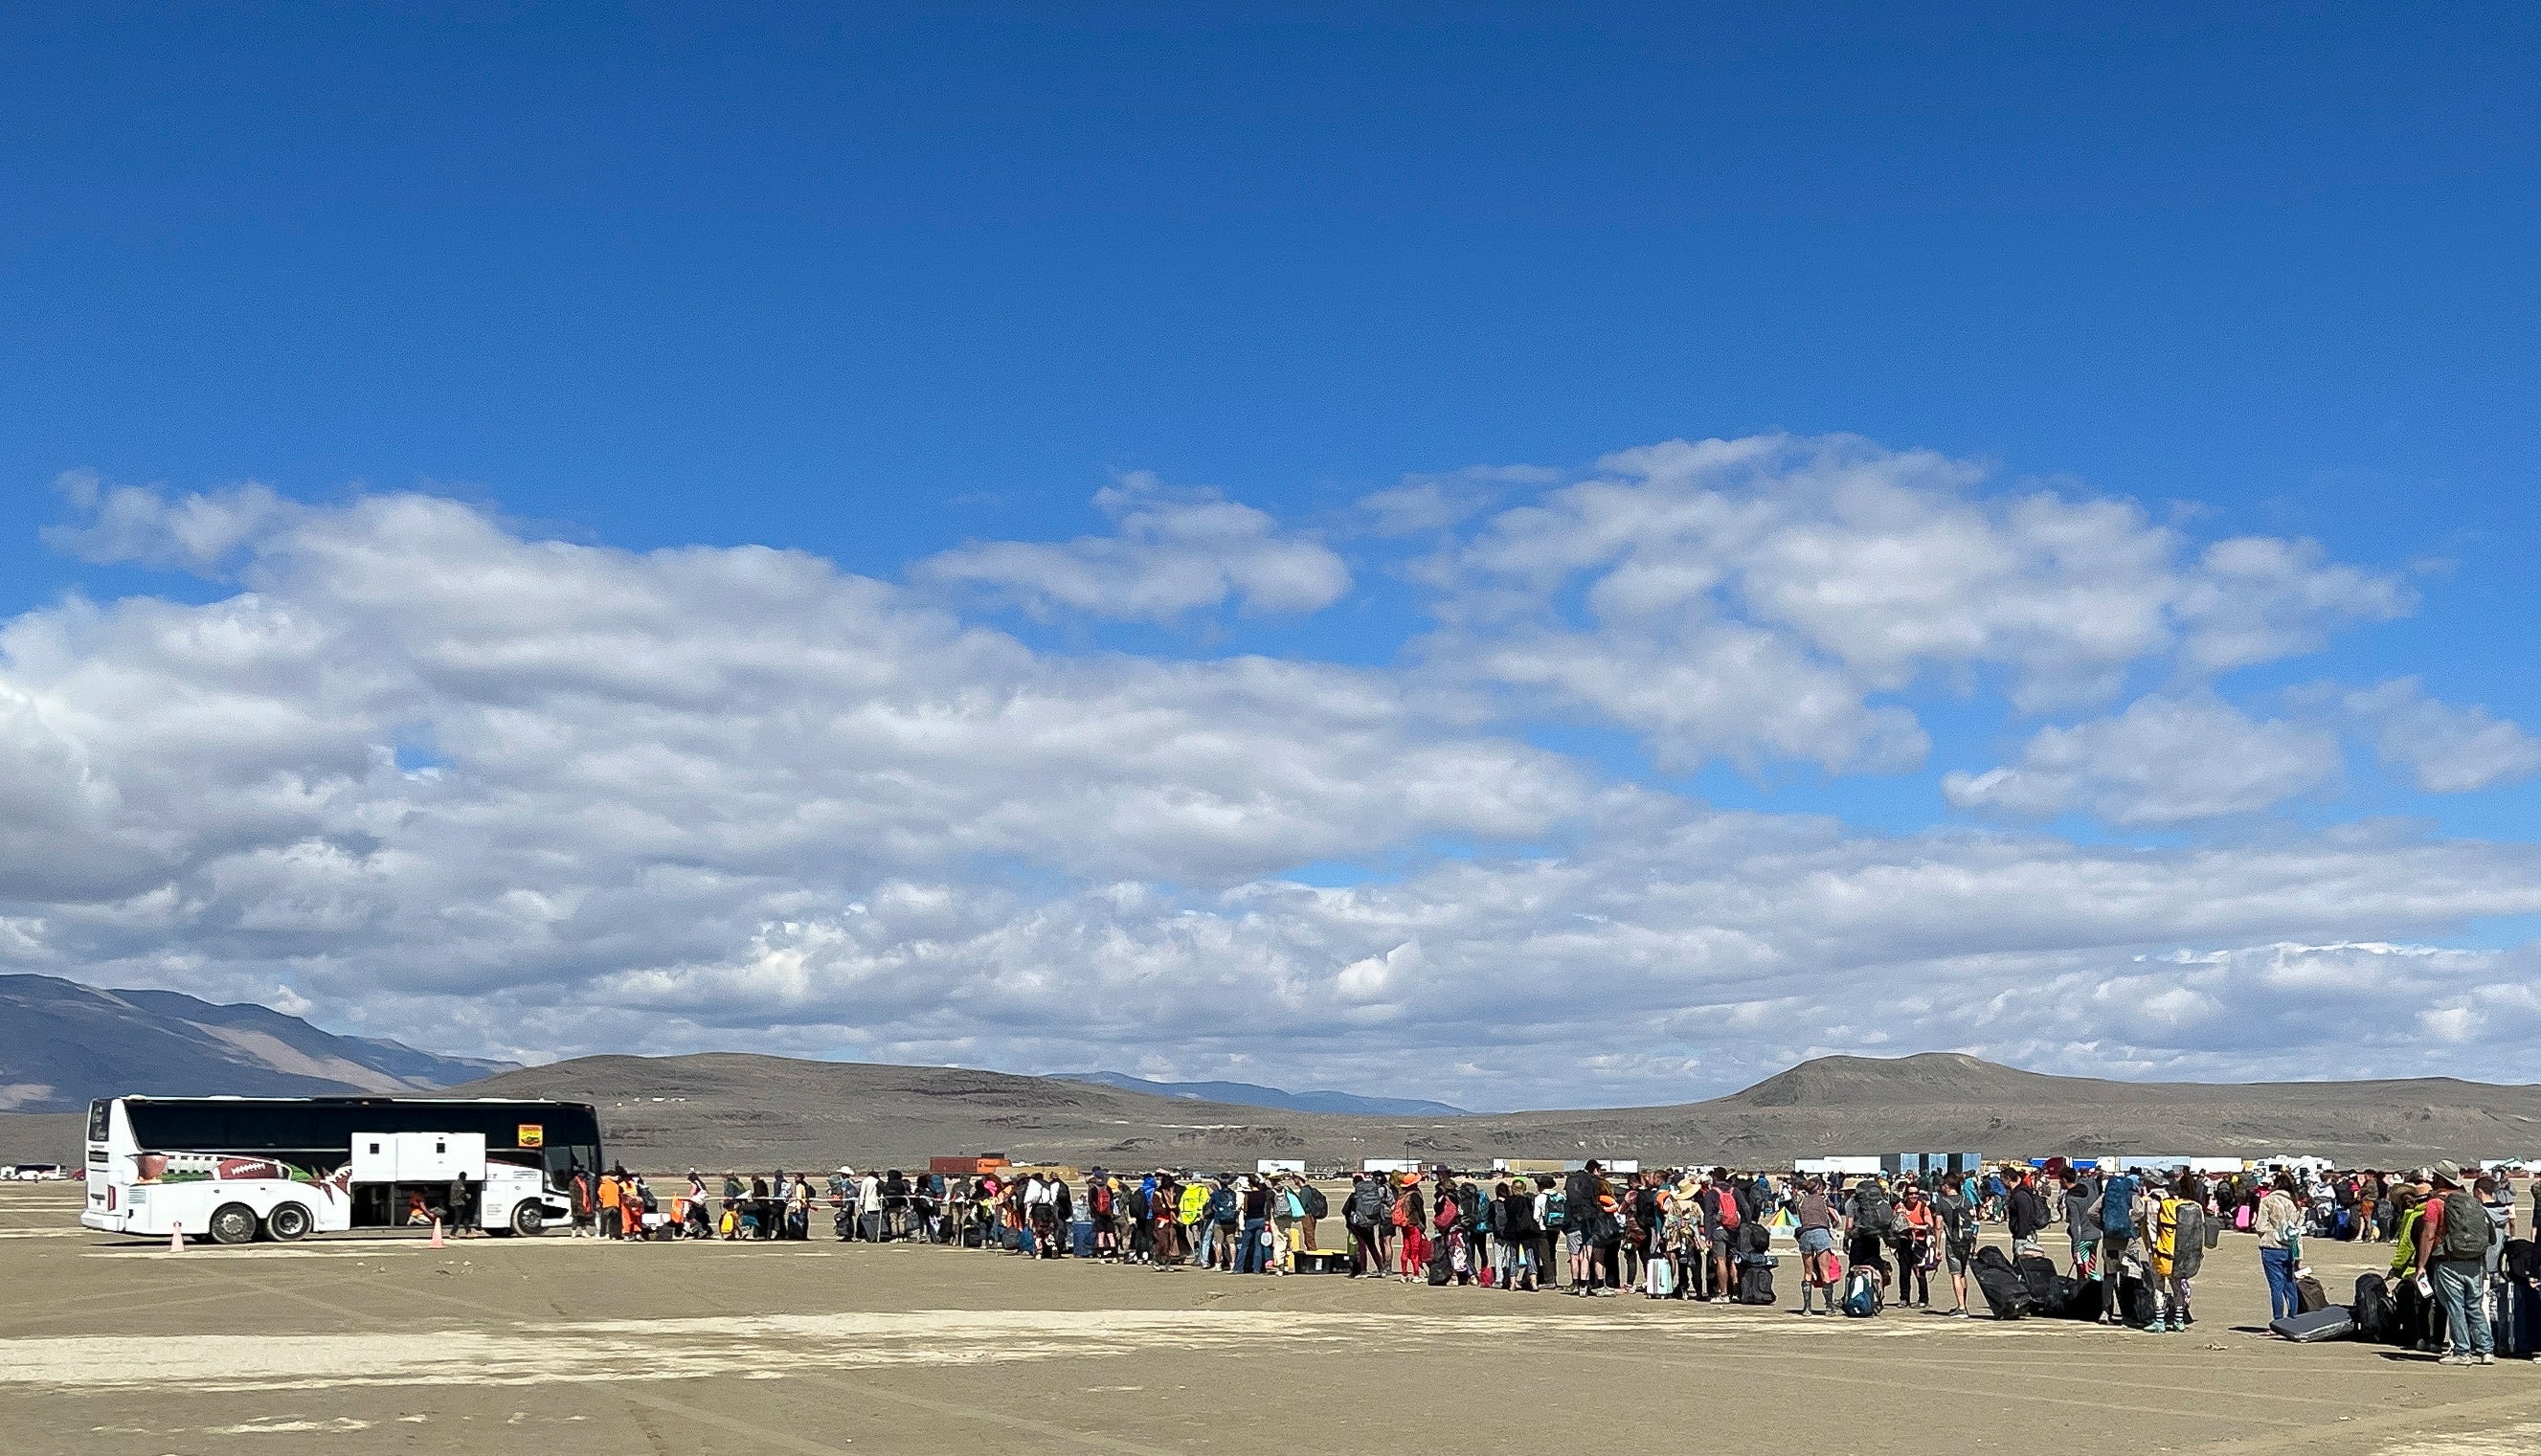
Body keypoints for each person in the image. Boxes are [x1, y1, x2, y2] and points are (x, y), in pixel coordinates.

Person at [2413, 1161, 2496, 1365]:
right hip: (2475, 1260)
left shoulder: (2435, 1204)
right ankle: (2486, 1350)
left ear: (2441, 1179)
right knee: (2474, 1306)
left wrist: (2422, 1264)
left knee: (2455, 1306)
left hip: (2448, 1260)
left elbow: (2429, 1235)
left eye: (2435, 1177)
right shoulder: (2470, 1201)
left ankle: (2462, 1351)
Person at [2256, 1172, 2304, 1325]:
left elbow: (2260, 1225)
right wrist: (2299, 1255)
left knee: (2276, 1286)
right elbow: (2297, 1231)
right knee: (2290, 1285)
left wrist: (2270, 1231)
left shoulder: (2268, 1201)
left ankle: (2278, 1320)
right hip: (2289, 1248)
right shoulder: (2294, 1203)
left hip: (2271, 1246)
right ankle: (2293, 1318)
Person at [1793, 1176, 1839, 1315]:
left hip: (1805, 1233)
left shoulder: (1800, 1200)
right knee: (1825, 1271)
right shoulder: (1824, 1199)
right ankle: (1829, 1307)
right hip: (1821, 1233)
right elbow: (1836, 1218)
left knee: (1807, 1272)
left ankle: (1807, 1308)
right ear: (1818, 1188)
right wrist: (1832, 1226)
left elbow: (1801, 1219)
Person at [1842, 1173, 1895, 1290]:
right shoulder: (1874, 1201)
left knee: (1854, 1267)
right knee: (1873, 1265)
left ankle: (1850, 1294)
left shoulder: (1851, 1203)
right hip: (1874, 1237)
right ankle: (1876, 1293)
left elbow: (1849, 1224)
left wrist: (1845, 1240)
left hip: (1858, 1238)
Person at [1935, 1176, 1978, 1316]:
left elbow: (1938, 1226)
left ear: (1948, 1186)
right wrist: (1974, 1243)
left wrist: (1937, 1247)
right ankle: (1962, 1304)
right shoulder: (1967, 1201)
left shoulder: (1942, 1203)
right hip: (1966, 1241)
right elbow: (1974, 1223)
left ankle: (1961, 1307)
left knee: (1955, 1274)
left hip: (1952, 1242)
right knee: (1963, 1274)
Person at [1893, 1184, 1937, 1309]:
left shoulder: (1923, 1207)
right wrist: (1898, 1215)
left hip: (1919, 1242)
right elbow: (1893, 1224)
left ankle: (1923, 1298)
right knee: (1904, 1272)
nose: (1913, 1196)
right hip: (1904, 1242)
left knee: (1919, 1271)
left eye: (1916, 1193)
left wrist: (1915, 1226)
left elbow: (1930, 1226)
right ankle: (1904, 1298)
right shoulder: (1900, 1206)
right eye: (1911, 1193)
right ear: (1906, 1195)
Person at [2005, 1169, 2050, 1259]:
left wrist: (2021, 1237)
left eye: (2003, 1179)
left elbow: (2024, 1216)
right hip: (2024, 1234)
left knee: (2024, 1263)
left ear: (2008, 1179)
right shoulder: (2019, 1193)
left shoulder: (2020, 1195)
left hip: (2025, 1235)